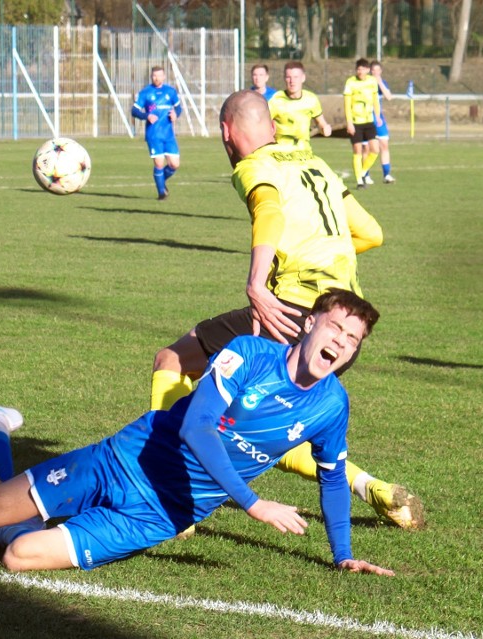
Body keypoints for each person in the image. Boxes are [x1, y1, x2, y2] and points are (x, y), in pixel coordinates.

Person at [0, 290, 395, 576]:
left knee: (19, 556)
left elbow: (333, 476)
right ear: (310, 323)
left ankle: (23, 528)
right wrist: (255, 505)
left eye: (353, 339)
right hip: (123, 462)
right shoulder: (250, 355)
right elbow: (197, 429)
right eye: (336, 326)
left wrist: (343, 555)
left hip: (162, 514)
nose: (341, 342)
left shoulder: (332, 405)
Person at [149, 90, 423, 530]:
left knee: (173, 360)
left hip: (295, 311)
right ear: (273, 127)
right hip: (345, 325)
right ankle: (374, 488)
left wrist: (258, 281)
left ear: (226, 133)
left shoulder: (253, 166)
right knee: (263, 427)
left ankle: (167, 488)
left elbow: (270, 211)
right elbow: (372, 233)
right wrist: (318, 252)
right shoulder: (315, 165)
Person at [131, 66, 182, 200]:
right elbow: (134, 111)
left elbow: (179, 108)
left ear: (164, 77)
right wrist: (146, 116)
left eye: (159, 76)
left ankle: (161, 181)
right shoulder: (145, 93)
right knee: (159, 163)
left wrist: (175, 114)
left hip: (169, 135)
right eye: (154, 76)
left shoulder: (170, 92)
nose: (157, 78)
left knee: (174, 165)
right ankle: (161, 193)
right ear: (151, 77)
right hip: (153, 135)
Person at [268, 61, 332, 148]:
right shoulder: (275, 100)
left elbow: (321, 123)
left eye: (296, 77)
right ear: (284, 78)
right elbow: (264, 127)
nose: (292, 81)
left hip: (303, 152)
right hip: (282, 153)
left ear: (303, 78)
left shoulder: (311, 99)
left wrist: (324, 128)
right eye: (288, 77)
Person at [343, 58, 381, 190]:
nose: (360, 71)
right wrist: (349, 122)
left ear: (368, 70)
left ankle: (363, 172)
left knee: (375, 149)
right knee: (358, 151)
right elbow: (347, 105)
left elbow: (375, 100)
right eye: (358, 69)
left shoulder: (372, 81)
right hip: (355, 122)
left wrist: (378, 115)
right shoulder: (350, 82)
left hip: (369, 121)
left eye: (362, 69)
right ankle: (359, 181)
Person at [363, 61, 396, 185]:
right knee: (367, 148)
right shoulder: (364, 83)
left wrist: (380, 82)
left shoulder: (382, 83)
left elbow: (388, 97)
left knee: (384, 145)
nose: (375, 73)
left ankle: (386, 175)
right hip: (366, 118)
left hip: (379, 119)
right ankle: (365, 175)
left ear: (380, 71)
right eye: (373, 70)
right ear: (369, 71)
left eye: (377, 70)